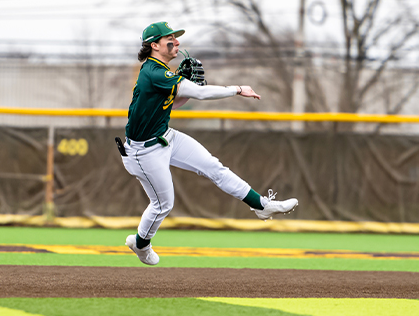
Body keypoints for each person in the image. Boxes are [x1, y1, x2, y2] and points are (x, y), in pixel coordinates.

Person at [119, 21, 298, 266]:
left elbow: (172, 105)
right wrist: (237, 89)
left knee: (214, 167)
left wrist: (185, 86)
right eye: (170, 38)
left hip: (164, 137)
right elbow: (201, 94)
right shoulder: (154, 72)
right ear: (154, 45)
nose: (177, 42)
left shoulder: (162, 72)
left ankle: (262, 206)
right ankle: (141, 245)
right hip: (143, 151)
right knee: (163, 204)